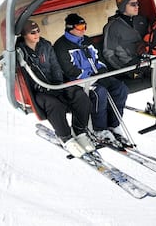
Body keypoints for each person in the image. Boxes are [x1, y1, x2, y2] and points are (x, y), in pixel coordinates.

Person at [17, 20, 95, 157]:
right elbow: (22, 75)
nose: (36, 35)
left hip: (53, 84)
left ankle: (79, 130)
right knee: (54, 104)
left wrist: (58, 83)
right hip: (37, 91)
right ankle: (65, 137)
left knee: (79, 95)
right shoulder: (20, 52)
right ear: (24, 35)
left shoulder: (45, 45)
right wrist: (41, 87)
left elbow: (55, 66)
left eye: (38, 31)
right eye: (32, 33)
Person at [53, 13, 130, 146]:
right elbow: (69, 70)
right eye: (80, 27)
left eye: (85, 26)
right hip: (78, 81)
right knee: (99, 92)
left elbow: (98, 58)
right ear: (70, 28)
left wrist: (102, 71)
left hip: (96, 76)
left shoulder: (86, 41)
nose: (83, 30)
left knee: (120, 88)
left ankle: (114, 124)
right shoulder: (61, 46)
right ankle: (99, 129)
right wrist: (90, 76)